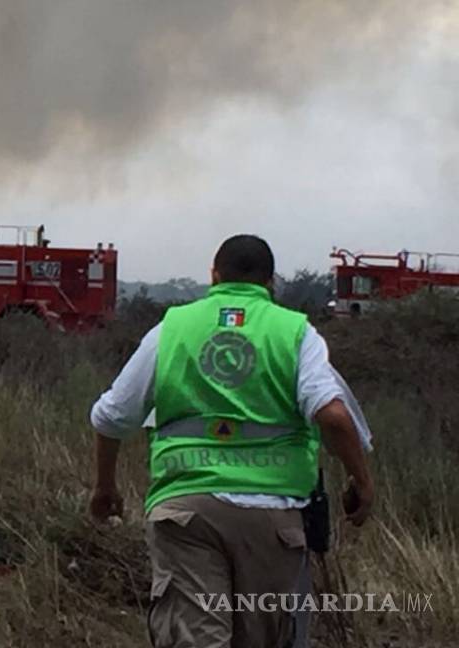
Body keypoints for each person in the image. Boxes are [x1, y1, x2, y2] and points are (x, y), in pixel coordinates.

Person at [88, 234, 375, 648]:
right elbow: (332, 414)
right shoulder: (297, 333)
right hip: (272, 518)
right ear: (270, 282)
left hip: (186, 512)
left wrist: (105, 486)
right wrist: (361, 482)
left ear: (213, 275)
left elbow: (111, 416)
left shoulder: (171, 329)